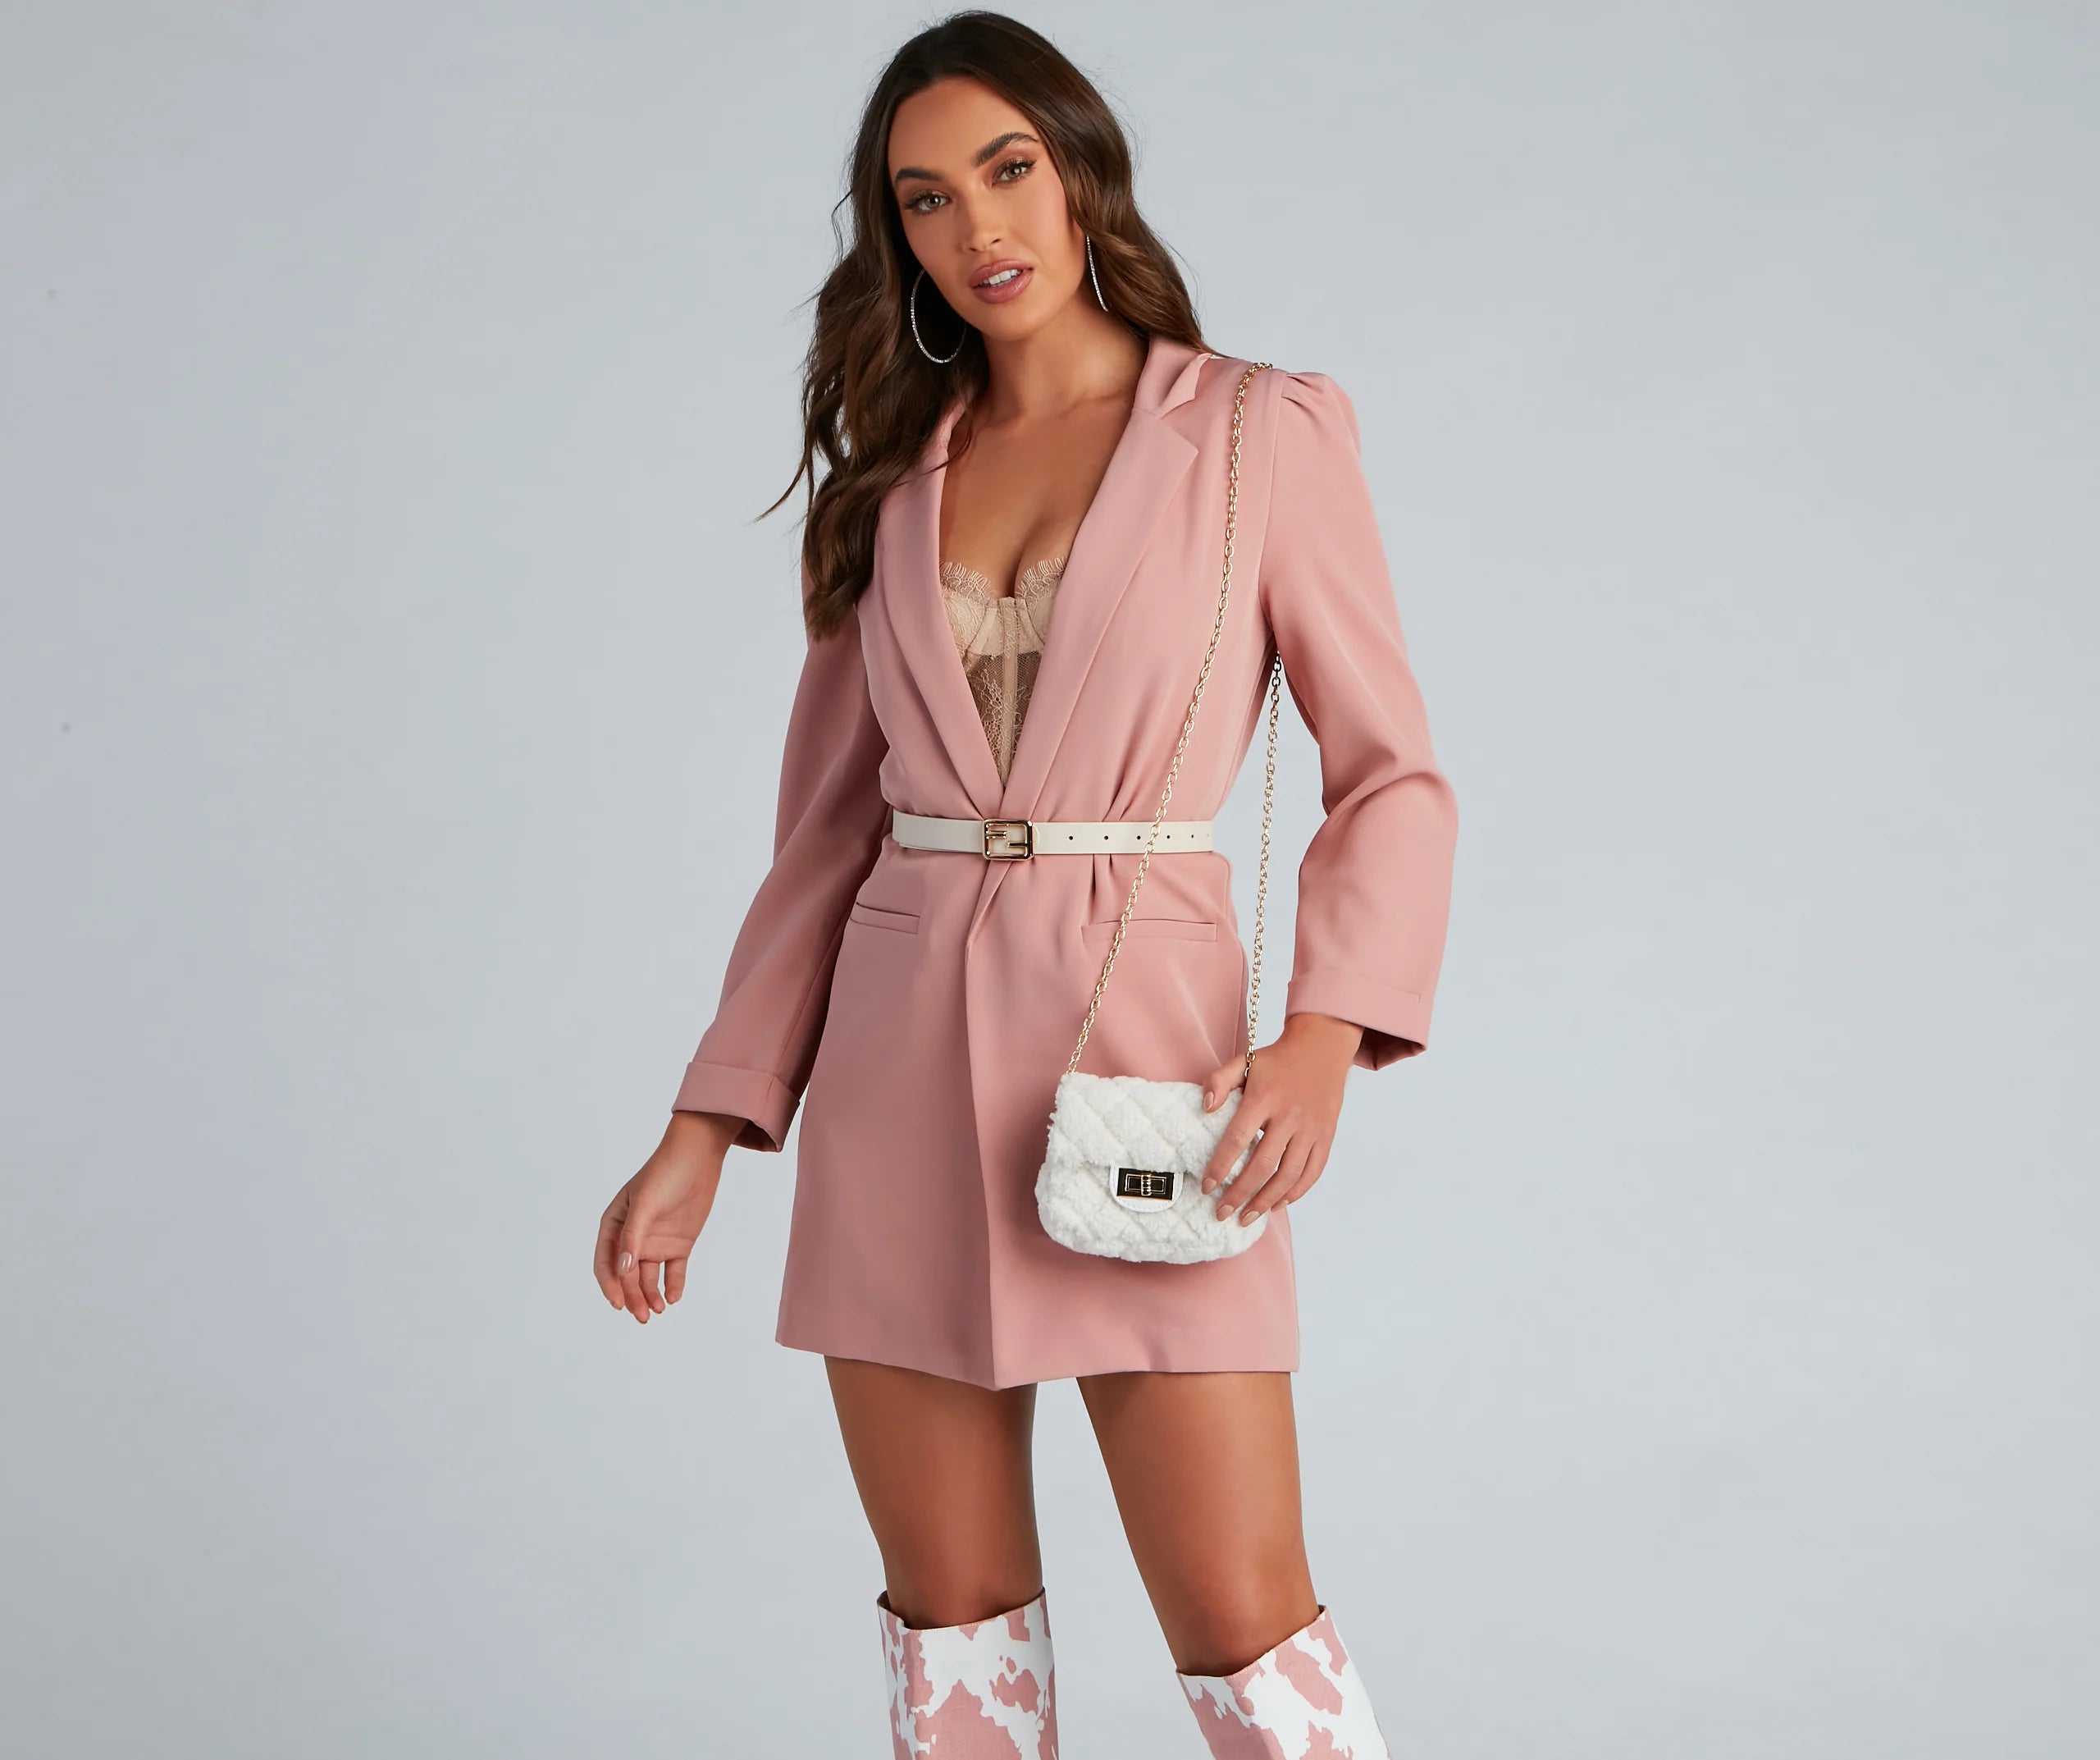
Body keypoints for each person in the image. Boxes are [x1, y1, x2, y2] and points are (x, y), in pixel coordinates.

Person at [592, 14, 1457, 1757]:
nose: (977, 225)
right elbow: (824, 840)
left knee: (1248, 1631)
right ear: (895, 235)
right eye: (924, 198)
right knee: (953, 1636)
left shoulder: (1255, 433)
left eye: (1007, 169)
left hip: (1145, 1065)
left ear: (1079, 173)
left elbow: (1390, 771)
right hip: (897, 1083)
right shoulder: (891, 479)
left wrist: (1324, 1035)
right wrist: (704, 1125)